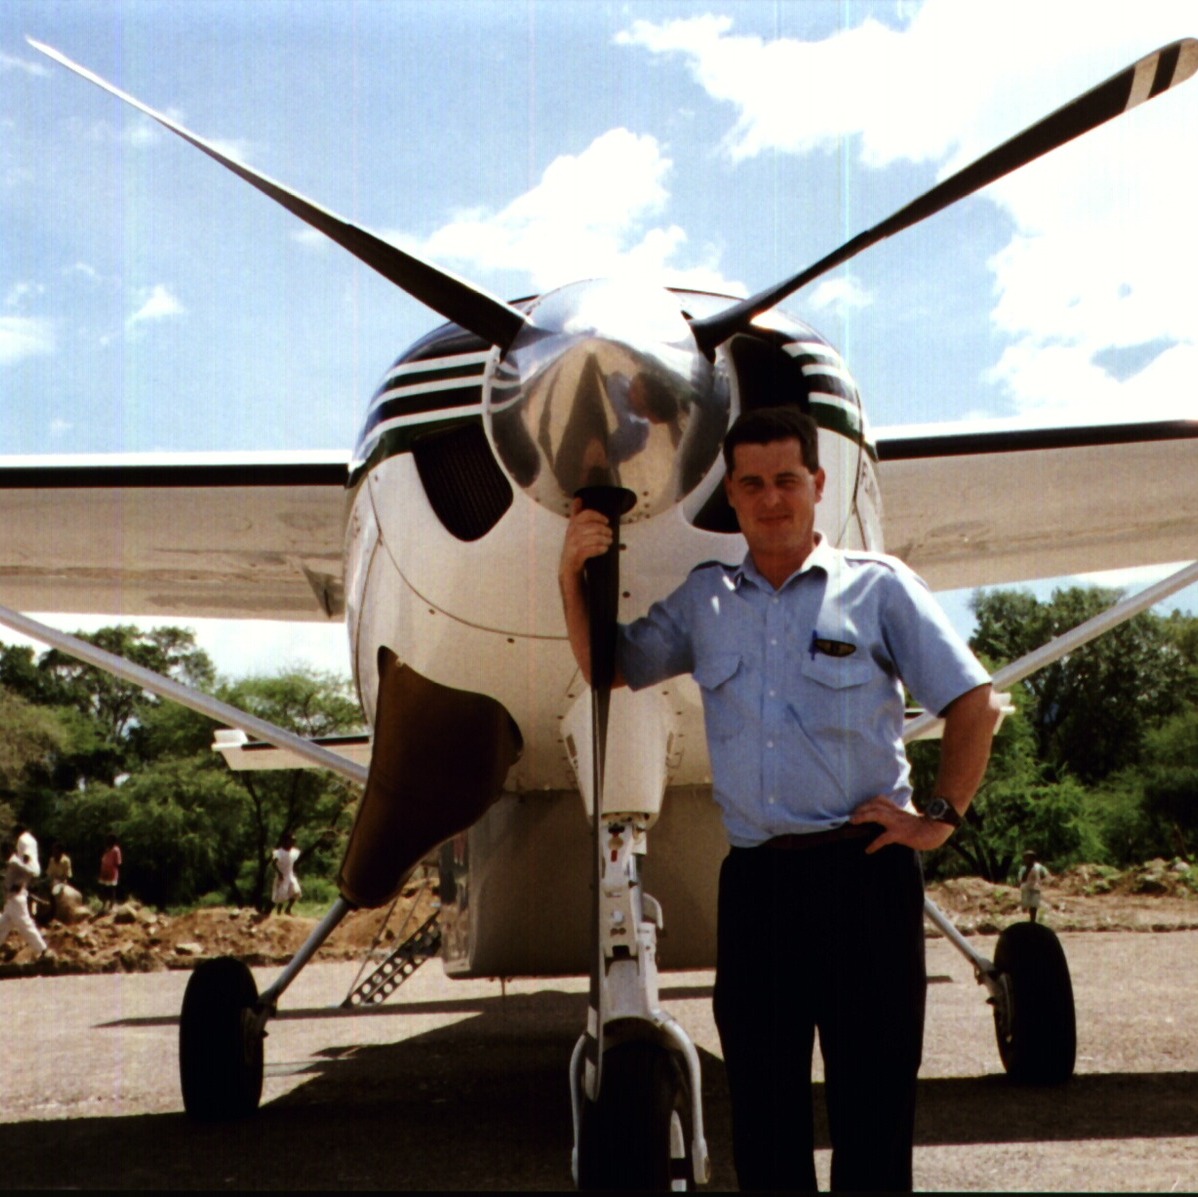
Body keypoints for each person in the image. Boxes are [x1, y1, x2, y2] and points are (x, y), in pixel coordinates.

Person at [560, 406, 1003, 1192]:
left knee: (872, 1118)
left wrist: (939, 818)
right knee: (764, 1126)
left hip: (865, 873)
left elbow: (974, 702)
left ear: (817, 485)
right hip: (761, 886)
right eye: (754, 483)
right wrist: (572, 574)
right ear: (731, 493)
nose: (772, 499)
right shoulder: (707, 602)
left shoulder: (878, 589)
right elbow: (610, 667)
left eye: (788, 481)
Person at [0, 839, 48, 958]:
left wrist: (21, 884)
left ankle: (42, 949)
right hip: (10, 900)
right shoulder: (12, 863)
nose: (3, 854)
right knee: (2, 925)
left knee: (25, 925)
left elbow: (31, 872)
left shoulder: (16, 862)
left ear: (10, 850)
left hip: (17, 899)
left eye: (4, 851)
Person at [271, 832, 302, 915]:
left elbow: (293, 863)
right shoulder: (278, 852)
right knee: (282, 895)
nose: (292, 843)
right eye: (291, 841)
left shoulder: (294, 852)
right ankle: (279, 913)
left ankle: (288, 909)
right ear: (285, 841)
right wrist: (279, 873)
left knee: (296, 892)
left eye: (294, 841)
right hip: (282, 875)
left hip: (290, 874)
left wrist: (294, 872)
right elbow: (273, 864)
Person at [1019, 849, 1050, 922]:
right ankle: (1030, 919)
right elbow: (1022, 879)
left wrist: (1041, 881)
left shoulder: (1039, 867)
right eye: (1026, 858)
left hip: (1035, 888)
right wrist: (1027, 871)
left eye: (1030, 858)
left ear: (1034, 859)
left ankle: (1032, 920)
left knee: (1034, 905)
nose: (1028, 860)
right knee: (1026, 905)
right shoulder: (1023, 868)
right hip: (1026, 888)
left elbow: (1045, 875)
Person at [46, 843, 74, 923]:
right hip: (52, 880)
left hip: (61, 881)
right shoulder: (51, 860)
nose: (54, 853)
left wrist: (58, 881)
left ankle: (53, 913)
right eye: (53, 851)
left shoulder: (66, 860)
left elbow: (67, 875)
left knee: (54, 892)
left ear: (61, 852)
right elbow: (49, 873)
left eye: (56, 851)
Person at [98, 834, 122, 912]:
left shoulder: (116, 850)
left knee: (111, 890)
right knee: (103, 889)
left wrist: (110, 869)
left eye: (109, 840)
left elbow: (118, 862)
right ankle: (104, 905)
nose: (107, 841)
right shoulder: (106, 849)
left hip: (112, 873)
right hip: (104, 872)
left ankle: (111, 906)